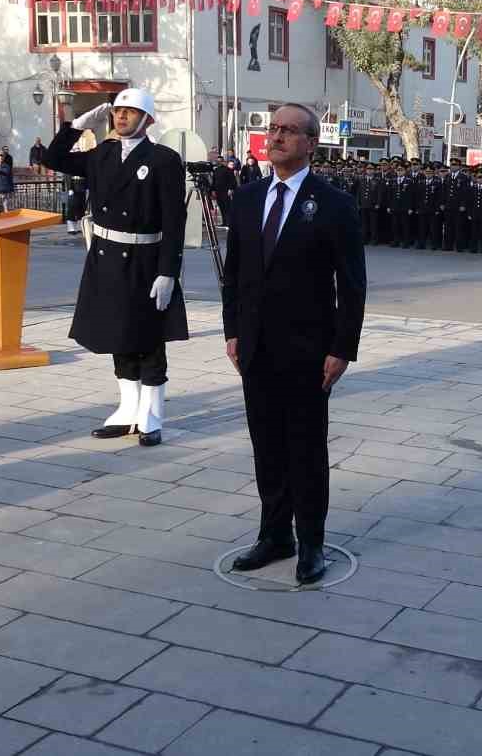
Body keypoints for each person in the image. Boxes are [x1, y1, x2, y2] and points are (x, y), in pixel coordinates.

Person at [222, 103, 366, 586]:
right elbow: (234, 275)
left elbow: (352, 284)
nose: (276, 136)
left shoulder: (333, 204)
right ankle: (274, 535)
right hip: (256, 348)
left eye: (288, 131)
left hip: (308, 350)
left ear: (311, 143)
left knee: (305, 448)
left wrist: (342, 348)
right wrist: (232, 331)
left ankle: (312, 543)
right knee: (266, 444)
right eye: (273, 128)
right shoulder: (246, 198)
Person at [39, 89, 188, 446]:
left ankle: (151, 413)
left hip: (145, 260)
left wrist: (169, 271)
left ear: (148, 120)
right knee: (117, 334)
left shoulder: (163, 159)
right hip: (106, 257)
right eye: (118, 111)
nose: (122, 117)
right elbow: (54, 158)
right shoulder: (103, 153)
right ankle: (127, 407)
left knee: (148, 337)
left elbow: (174, 220)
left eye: (131, 112)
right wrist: (75, 125)